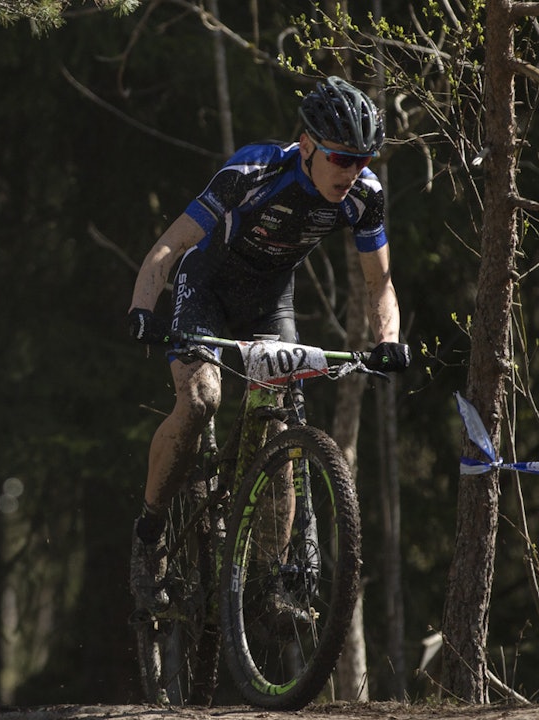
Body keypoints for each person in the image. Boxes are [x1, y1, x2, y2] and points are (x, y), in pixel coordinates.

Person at [127, 76, 410, 611]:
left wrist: (388, 340)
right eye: (341, 158)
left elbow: (380, 282)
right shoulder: (253, 171)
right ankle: (150, 533)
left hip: (270, 300)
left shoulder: (363, 195)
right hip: (207, 287)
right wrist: (143, 310)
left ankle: (269, 583)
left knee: (279, 429)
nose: (352, 172)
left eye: (362, 160)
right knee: (200, 400)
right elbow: (169, 246)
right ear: (307, 147)